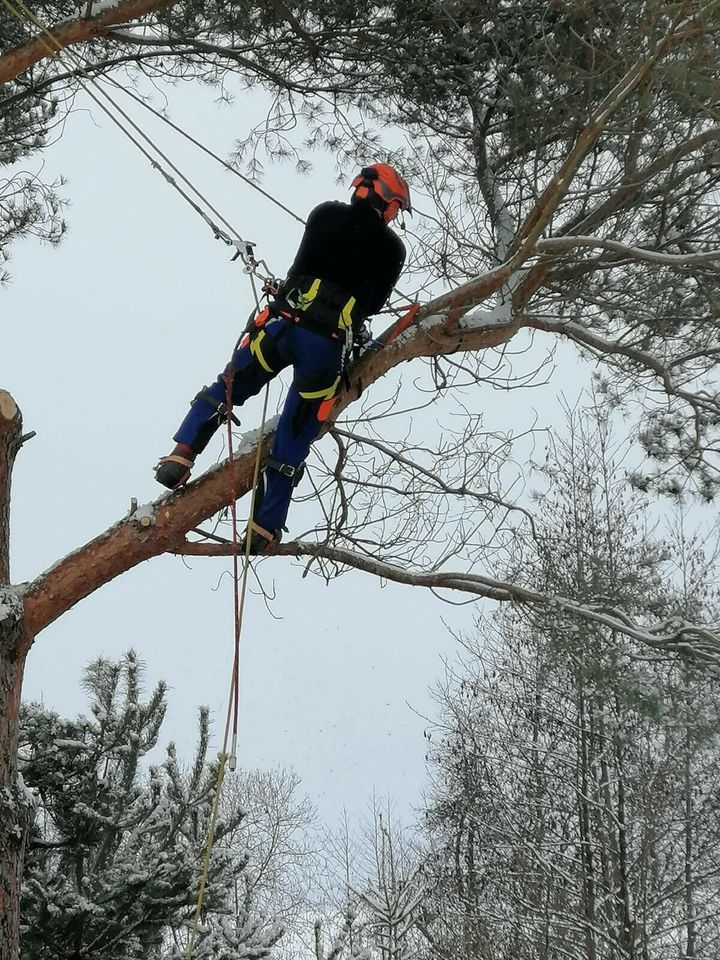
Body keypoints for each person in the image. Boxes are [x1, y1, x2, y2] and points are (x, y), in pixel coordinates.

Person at [155, 162, 410, 553]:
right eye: (395, 208)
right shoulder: (392, 248)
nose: (394, 216)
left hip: (280, 327)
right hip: (323, 346)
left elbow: (300, 268)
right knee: (295, 430)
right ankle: (263, 528)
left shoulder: (324, 213)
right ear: (386, 201)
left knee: (228, 386)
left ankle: (181, 453)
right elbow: (372, 304)